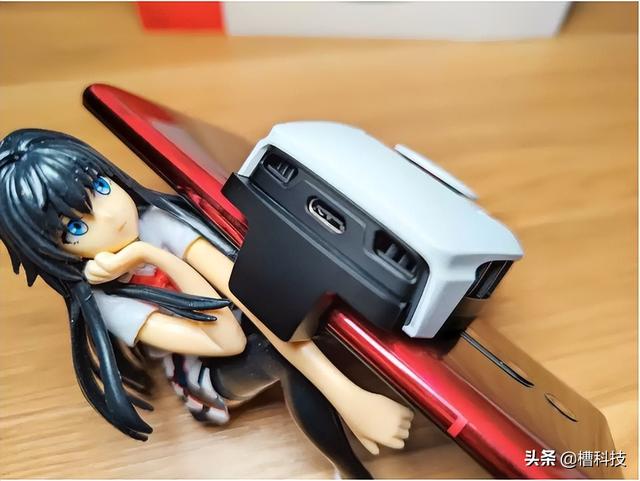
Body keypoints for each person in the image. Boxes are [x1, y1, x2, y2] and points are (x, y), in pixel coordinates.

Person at [0, 129, 413, 476]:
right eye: (75, 227)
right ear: (50, 251)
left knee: (299, 308)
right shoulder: (110, 303)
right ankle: (349, 471)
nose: (109, 217)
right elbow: (229, 341)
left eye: (101, 187)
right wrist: (349, 398)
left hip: (237, 317)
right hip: (207, 370)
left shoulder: (157, 221)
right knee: (280, 352)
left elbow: (245, 292)